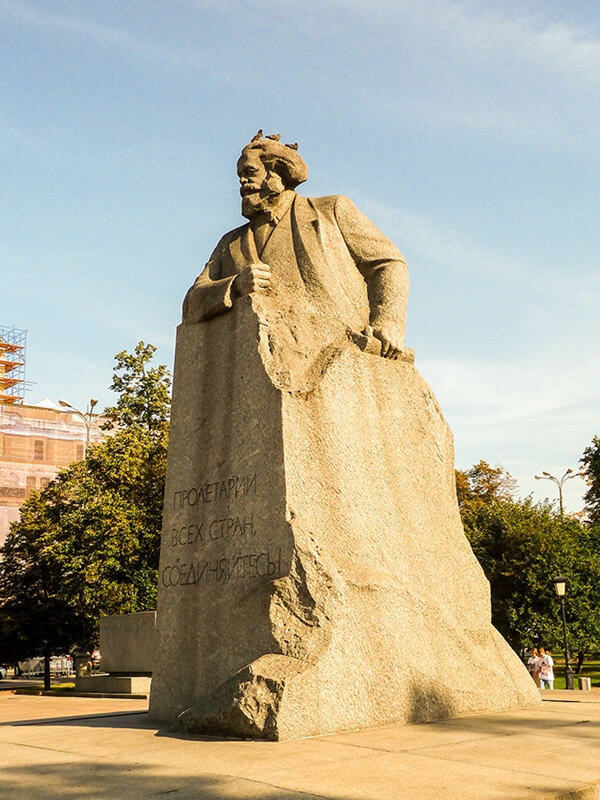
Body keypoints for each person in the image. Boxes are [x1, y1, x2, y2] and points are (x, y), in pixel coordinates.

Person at [183, 131, 409, 361]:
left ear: (277, 173)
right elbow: (192, 304)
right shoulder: (230, 243)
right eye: (239, 175)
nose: (242, 181)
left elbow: (388, 263)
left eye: (250, 172)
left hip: (340, 356)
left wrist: (389, 323)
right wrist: (235, 286)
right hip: (258, 363)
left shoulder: (329, 211)